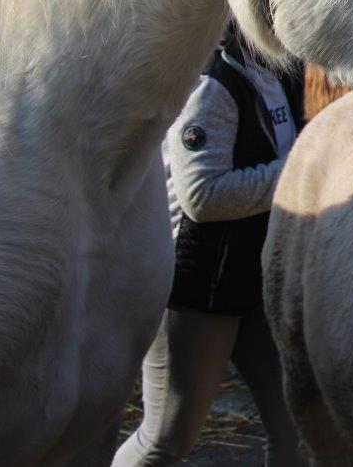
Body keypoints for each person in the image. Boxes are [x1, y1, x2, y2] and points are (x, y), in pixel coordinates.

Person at [115, 25, 302, 466]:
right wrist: (298, 172)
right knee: (166, 437)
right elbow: (202, 197)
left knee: (296, 428)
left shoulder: (281, 72)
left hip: (254, 280)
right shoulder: (212, 82)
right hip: (197, 288)